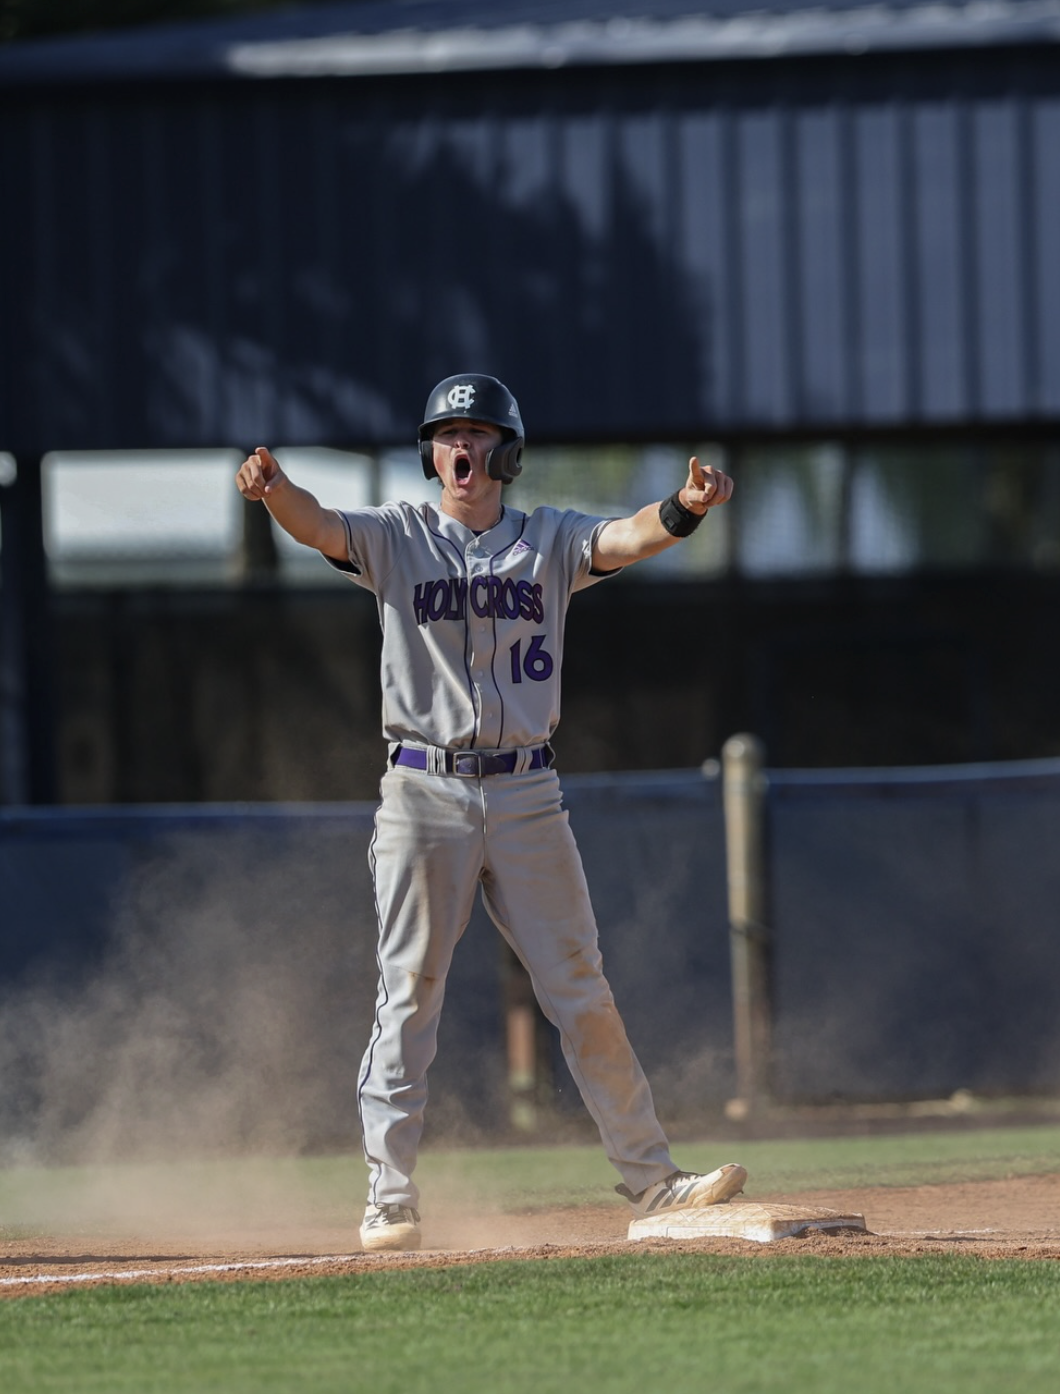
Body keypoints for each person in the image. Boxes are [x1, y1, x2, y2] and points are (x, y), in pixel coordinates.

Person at [236, 374, 744, 1252]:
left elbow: (624, 538)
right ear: (430, 453)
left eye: (474, 432)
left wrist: (686, 507)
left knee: (580, 986)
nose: (458, 447)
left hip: (526, 791)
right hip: (423, 786)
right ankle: (388, 1197)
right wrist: (276, 490)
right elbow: (320, 526)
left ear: (505, 452)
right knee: (411, 992)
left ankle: (654, 1182)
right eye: (444, 433)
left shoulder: (547, 540)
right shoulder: (397, 536)